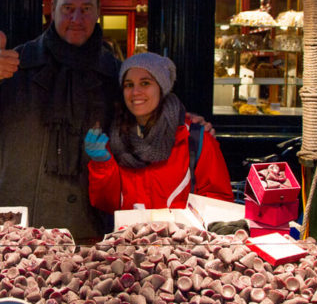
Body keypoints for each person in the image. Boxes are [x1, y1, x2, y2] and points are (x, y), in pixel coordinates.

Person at [0, 0, 121, 241]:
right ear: (52, 9)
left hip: (83, 230)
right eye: (67, 8)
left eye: (85, 9)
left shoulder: (113, 74)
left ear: (98, 12)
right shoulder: (18, 62)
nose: (77, 17)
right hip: (16, 227)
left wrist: (182, 119)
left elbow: (142, 123)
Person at [84, 52, 233, 212]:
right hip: (130, 235)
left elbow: (219, 202)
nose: (135, 92)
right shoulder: (115, 138)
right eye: (128, 85)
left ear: (162, 88)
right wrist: (102, 165)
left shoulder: (194, 139)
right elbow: (106, 204)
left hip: (181, 235)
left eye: (145, 83)